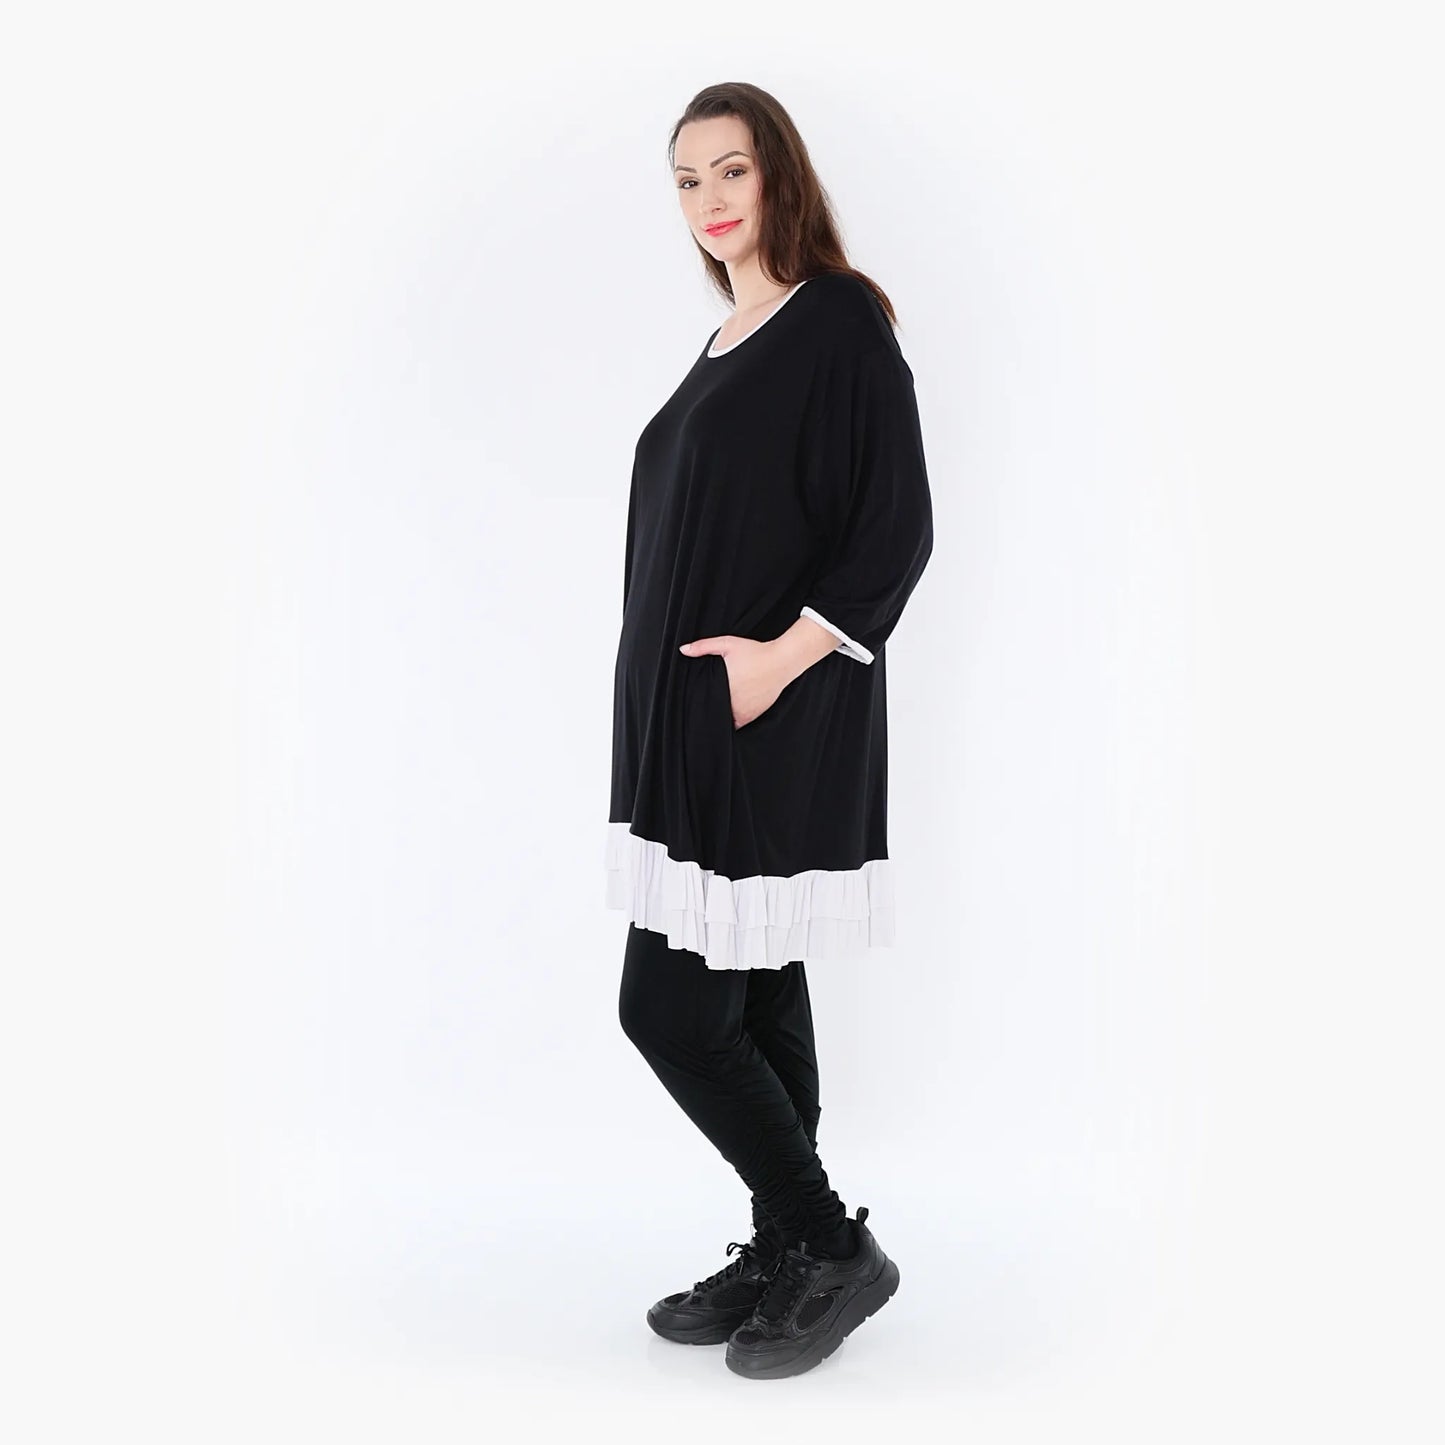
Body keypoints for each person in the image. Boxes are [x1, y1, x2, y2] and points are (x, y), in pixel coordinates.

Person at [608, 82, 935, 1380]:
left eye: (730, 168)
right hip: (690, 727)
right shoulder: (723, 341)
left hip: (767, 720)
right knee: (756, 984)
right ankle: (786, 1243)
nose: (708, 199)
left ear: (778, 172)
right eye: (685, 180)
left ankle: (828, 1244)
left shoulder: (836, 318)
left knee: (669, 1010)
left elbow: (895, 526)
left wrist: (774, 664)